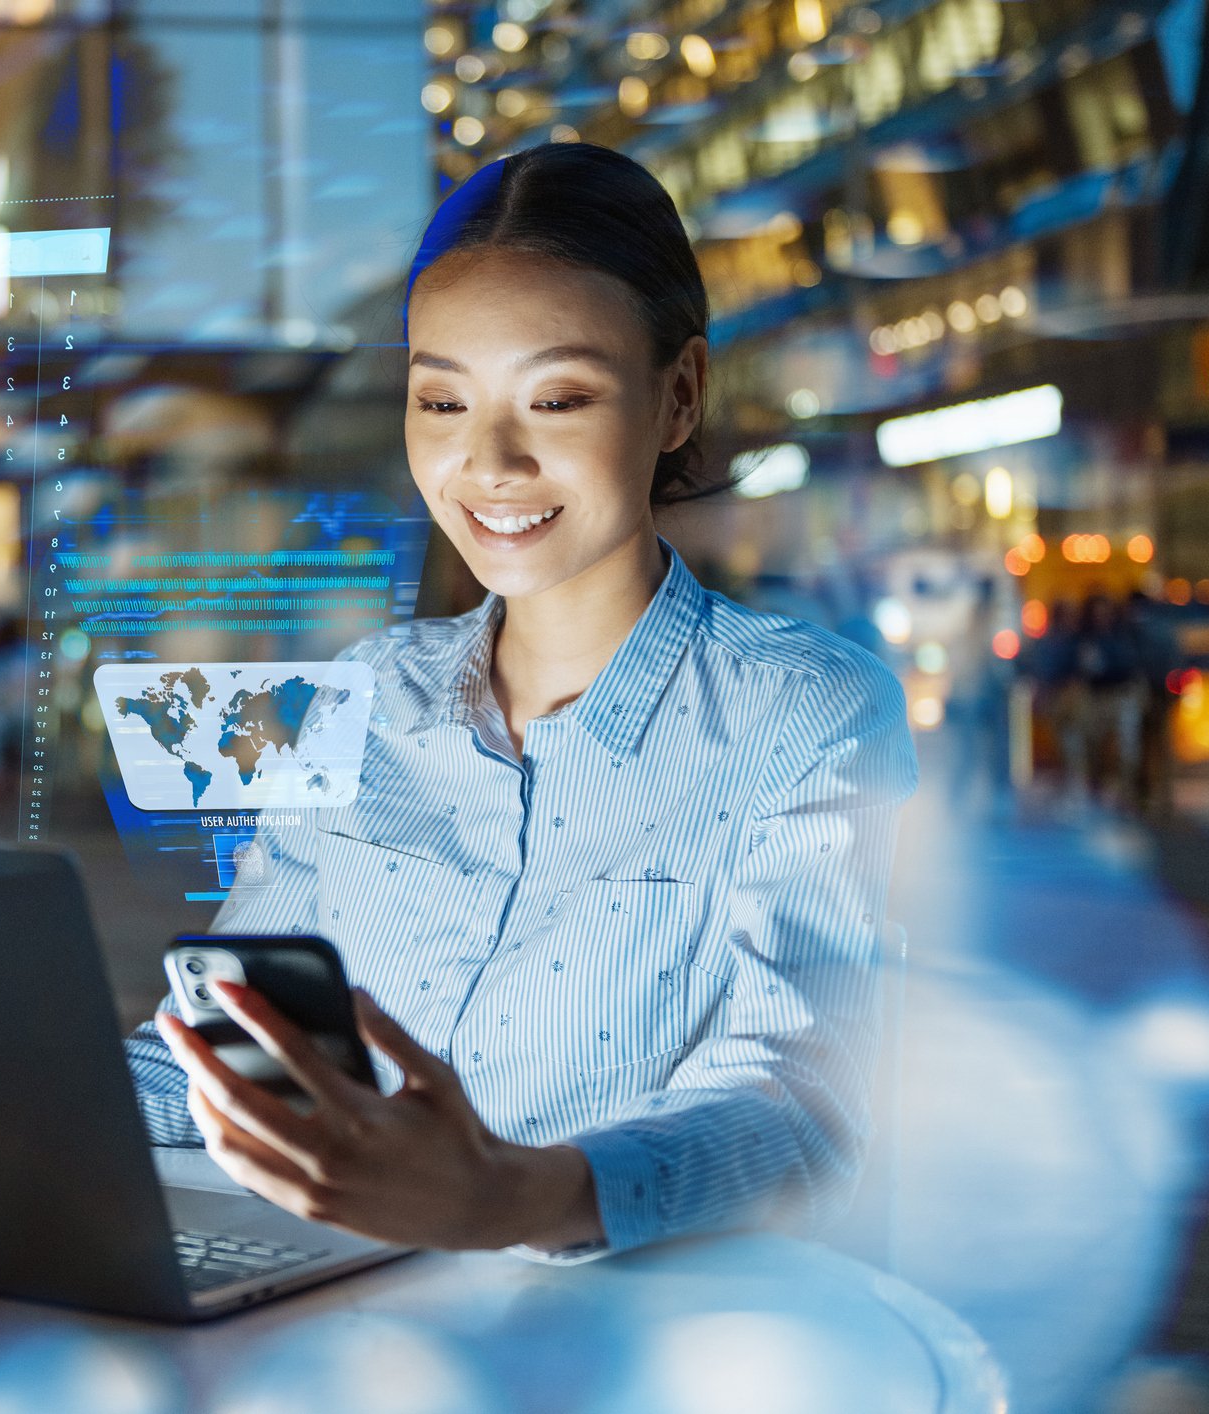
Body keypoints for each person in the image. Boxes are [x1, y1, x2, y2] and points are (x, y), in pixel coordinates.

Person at [122, 143, 918, 1262]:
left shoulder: (808, 711)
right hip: (347, 1320)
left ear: (679, 394)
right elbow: (227, 1045)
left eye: (555, 397)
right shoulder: (359, 698)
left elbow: (797, 1102)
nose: (487, 460)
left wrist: (510, 1198)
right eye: (442, 398)